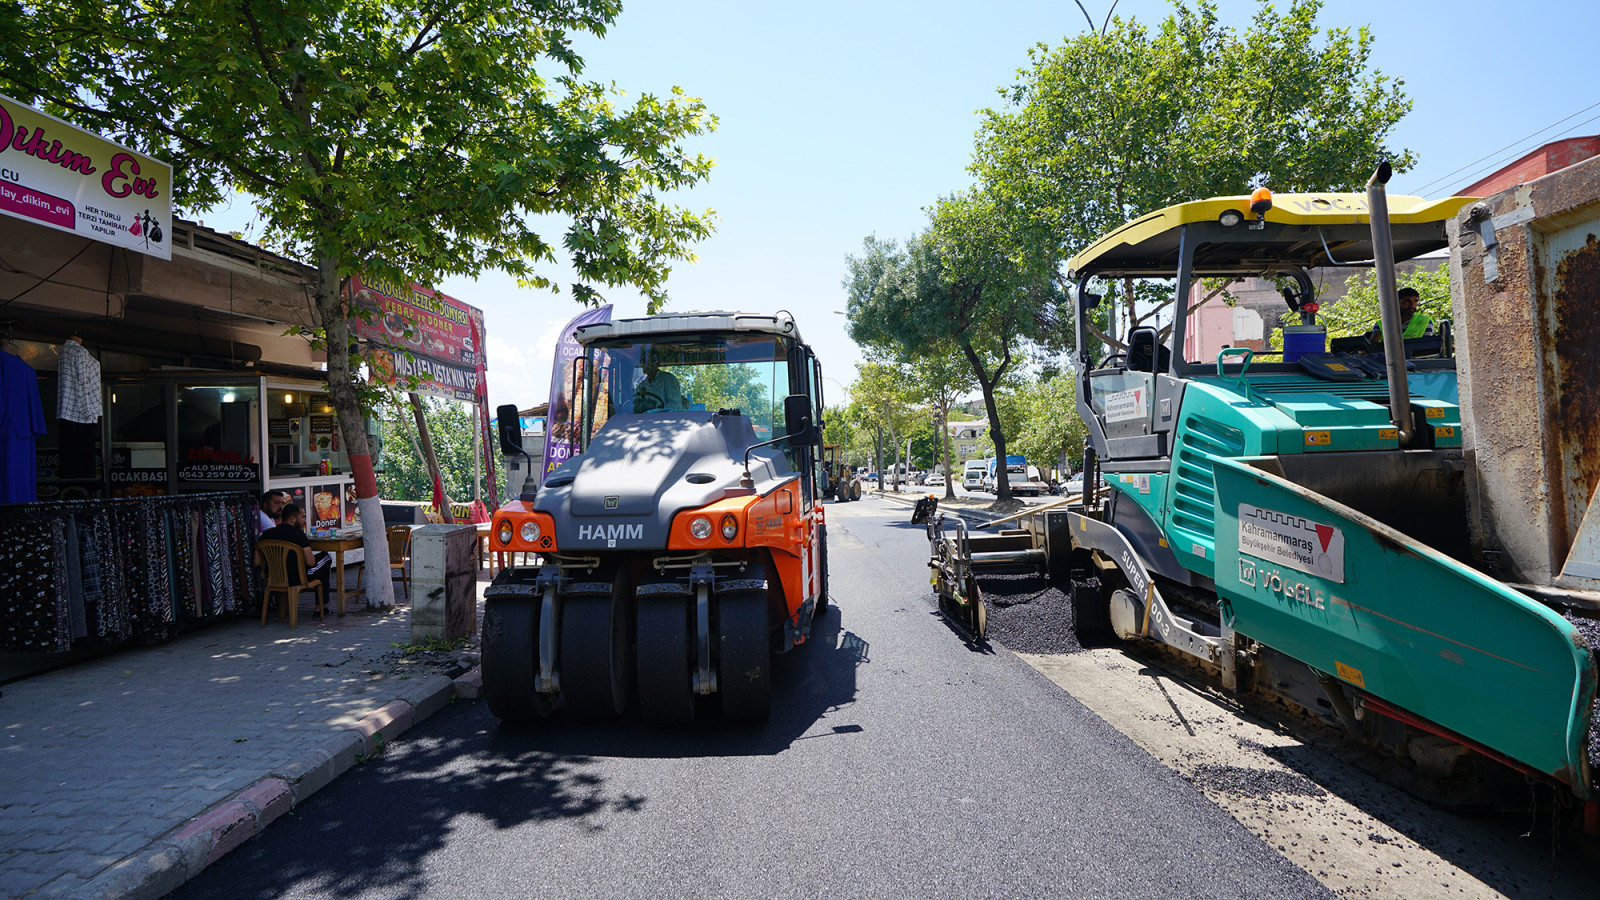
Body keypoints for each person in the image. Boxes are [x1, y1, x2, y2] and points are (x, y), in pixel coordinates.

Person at [257, 502, 334, 596]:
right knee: (326, 558)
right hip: (297, 578)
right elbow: (310, 562)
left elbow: (256, 562)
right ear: (292, 519)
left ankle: (283, 608)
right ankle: (320, 607)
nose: (304, 520)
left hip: (273, 579)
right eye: (302, 517)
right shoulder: (298, 534)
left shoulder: (266, 535)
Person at [1366, 287, 1434, 342]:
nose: (1412, 304)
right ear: (1396, 302)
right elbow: (1373, 346)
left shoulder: (1425, 321)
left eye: (1415, 301)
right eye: (1407, 301)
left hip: (1415, 359)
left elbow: (1426, 348)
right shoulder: (1381, 324)